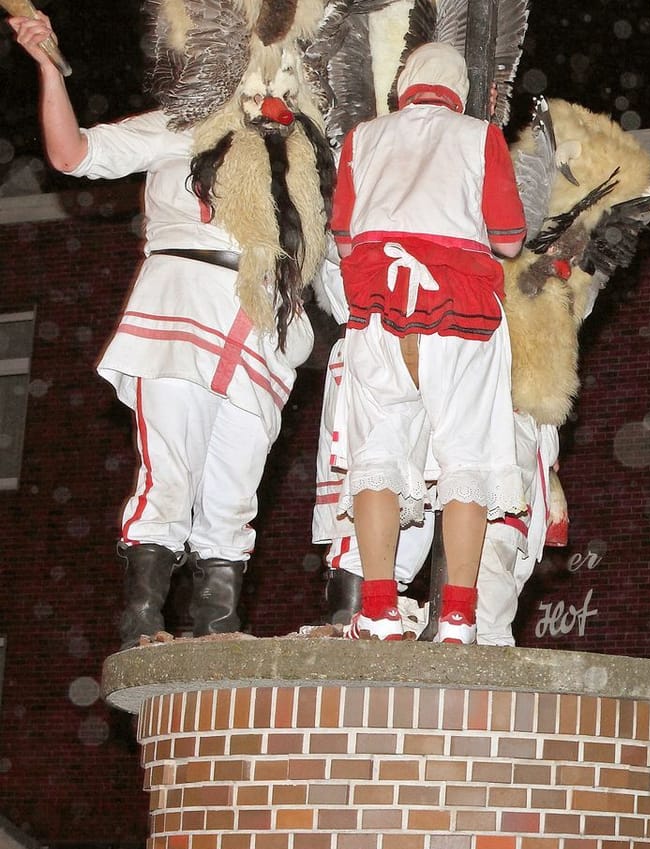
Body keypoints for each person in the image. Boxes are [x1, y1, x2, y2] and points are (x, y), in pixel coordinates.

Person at [7, 8, 325, 647]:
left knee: (236, 496)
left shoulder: (304, 158)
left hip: (262, 327)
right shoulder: (183, 128)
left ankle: (216, 632)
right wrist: (49, 68)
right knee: (169, 474)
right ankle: (143, 622)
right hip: (182, 310)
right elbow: (73, 155)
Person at [329, 42, 527, 643]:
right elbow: (511, 239)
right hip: (458, 310)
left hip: (379, 309)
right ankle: (459, 619)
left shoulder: (361, 138)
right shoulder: (479, 135)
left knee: (380, 458)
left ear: (403, 86)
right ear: (459, 90)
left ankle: (379, 609)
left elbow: (343, 239)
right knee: (467, 460)